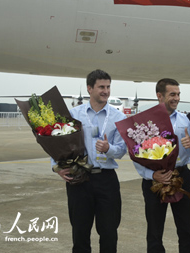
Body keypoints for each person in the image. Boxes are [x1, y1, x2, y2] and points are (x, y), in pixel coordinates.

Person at [53, 69, 127, 253]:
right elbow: (57, 142)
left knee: (109, 232)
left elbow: (122, 150)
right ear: (89, 88)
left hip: (107, 180)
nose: (106, 91)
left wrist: (109, 149)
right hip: (79, 179)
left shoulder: (119, 118)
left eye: (108, 87)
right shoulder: (73, 114)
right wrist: (56, 167)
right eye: (101, 87)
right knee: (80, 231)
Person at [133, 78, 190, 253]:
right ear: (160, 96)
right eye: (172, 94)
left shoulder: (186, 120)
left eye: (178, 94)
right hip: (155, 180)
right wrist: (152, 176)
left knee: (187, 230)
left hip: (182, 177)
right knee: (155, 232)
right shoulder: (144, 122)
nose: (177, 98)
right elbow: (135, 154)